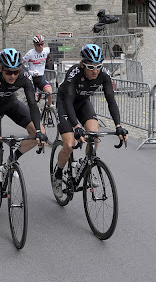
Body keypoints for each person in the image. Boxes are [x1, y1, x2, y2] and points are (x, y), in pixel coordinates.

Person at [52, 44, 128, 198]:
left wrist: (118, 126)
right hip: (66, 103)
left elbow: (111, 101)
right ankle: (58, 175)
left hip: (82, 103)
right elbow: (68, 102)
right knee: (69, 144)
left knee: (94, 134)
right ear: (82, 65)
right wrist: (76, 126)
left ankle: (86, 164)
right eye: (90, 67)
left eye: (98, 66)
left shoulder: (104, 75)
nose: (95, 71)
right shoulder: (74, 73)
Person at [0, 48, 47, 217]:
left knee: (40, 133)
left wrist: (38, 131)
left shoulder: (24, 76)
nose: (12, 76)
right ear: (1, 68)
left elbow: (32, 105)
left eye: (16, 71)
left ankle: (13, 159)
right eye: (8, 72)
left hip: (11, 105)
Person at [23, 34, 54, 107]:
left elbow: (50, 49)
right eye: (38, 45)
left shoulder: (46, 51)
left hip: (40, 78)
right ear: (34, 45)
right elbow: (20, 64)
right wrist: (30, 72)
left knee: (50, 92)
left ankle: (49, 108)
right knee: (34, 100)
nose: (40, 46)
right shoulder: (30, 53)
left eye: (42, 44)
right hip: (31, 79)